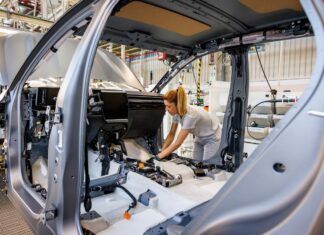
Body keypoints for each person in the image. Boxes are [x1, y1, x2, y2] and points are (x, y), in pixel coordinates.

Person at [156, 86, 221, 161]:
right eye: (165, 106)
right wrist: (162, 152)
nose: (166, 110)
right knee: (197, 164)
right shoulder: (177, 114)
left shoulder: (190, 116)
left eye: (169, 106)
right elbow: (171, 134)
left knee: (208, 166)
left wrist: (159, 157)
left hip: (212, 136)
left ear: (177, 105)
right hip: (199, 136)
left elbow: (178, 143)